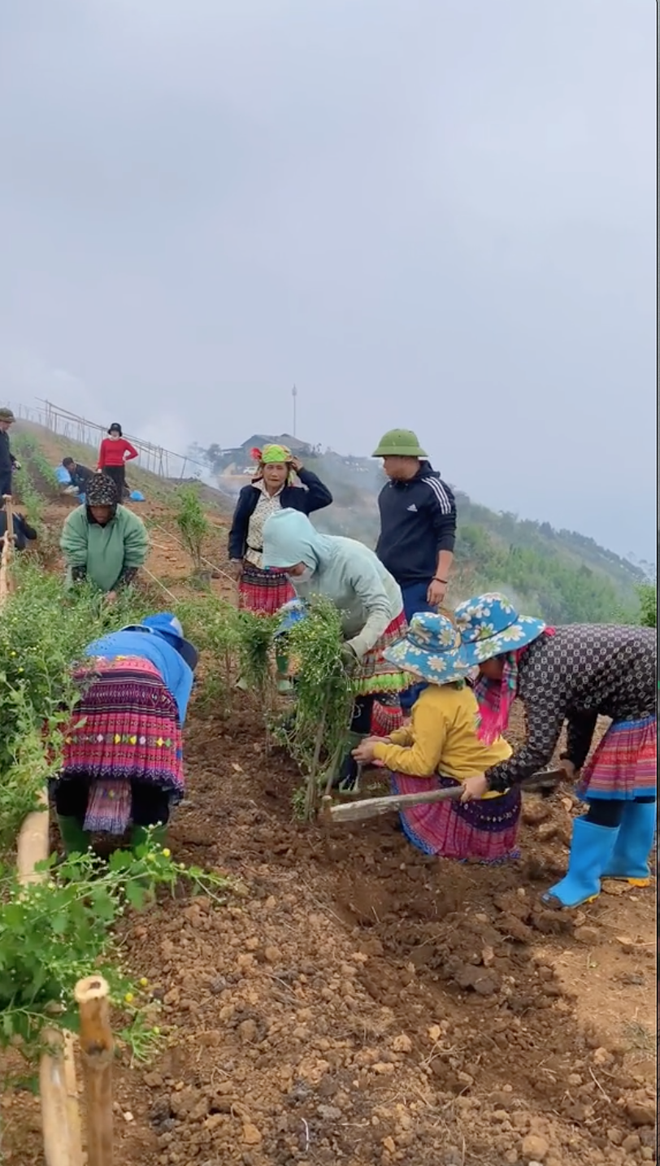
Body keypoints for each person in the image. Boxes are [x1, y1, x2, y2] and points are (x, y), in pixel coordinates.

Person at [454, 592, 657, 909]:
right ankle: (628, 863)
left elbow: (538, 750)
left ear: (500, 654)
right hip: (647, 686)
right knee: (636, 782)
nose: (479, 671)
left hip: (646, 697)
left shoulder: (540, 671)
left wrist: (489, 779)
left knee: (611, 789)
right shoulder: (541, 651)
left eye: (480, 661)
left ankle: (582, 881)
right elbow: (583, 702)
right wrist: (573, 757)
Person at [352, 612, 521, 862]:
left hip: (476, 799)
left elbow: (422, 765)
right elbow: (424, 729)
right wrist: (391, 740)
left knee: (404, 770)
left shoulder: (431, 704)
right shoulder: (464, 687)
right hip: (505, 790)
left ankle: (441, 836)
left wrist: (379, 752)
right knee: (402, 754)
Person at [262, 508, 411, 784]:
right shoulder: (300, 569)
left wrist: (355, 647)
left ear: (308, 551)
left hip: (376, 623)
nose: (291, 575)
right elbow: (308, 602)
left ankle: (347, 770)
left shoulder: (350, 559)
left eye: (293, 569)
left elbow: (380, 609)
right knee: (325, 677)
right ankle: (304, 722)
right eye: (286, 570)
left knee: (361, 693)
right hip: (340, 621)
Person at [52, 613, 198, 856]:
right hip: (144, 683)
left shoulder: (105, 640)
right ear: (175, 642)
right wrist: (153, 757)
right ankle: (143, 870)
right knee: (151, 780)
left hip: (82, 682)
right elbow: (175, 720)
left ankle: (74, 861)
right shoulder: (177, 661)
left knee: (73, 771)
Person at [228, 444, 332, 692]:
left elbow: (324, 496)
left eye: (281, 468)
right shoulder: (249, 494)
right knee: (252, 622)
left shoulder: (297, 496)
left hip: (286, 568)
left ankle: (283, 674)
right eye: (270, 468)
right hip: (254, 564)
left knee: (286, 623)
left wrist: (303, 470)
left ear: (288, 471)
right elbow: (238, 526)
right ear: (262, 469)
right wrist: (235, 558)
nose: (275, 473)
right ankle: (250, 672)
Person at [372, 428, 457, 717]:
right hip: (387, 580)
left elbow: (446, 534)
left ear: (405, 457)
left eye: (387, 459)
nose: (383, 465)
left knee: (418, 640)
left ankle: (414, 706)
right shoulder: (389, 491)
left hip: (419, 582)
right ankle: (391, 695)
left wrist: (440, 578)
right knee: (387, 638)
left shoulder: (434, 490)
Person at [60, 472, 149, 600]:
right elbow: (77, 562)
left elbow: (133, 561)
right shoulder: (75, 521)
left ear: (114, 504)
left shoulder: (132, 523)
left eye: (104, 507)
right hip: (80, 592)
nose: (99, 512)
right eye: (94, 507)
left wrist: (117, 591)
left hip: (117, 596)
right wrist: (86, 595)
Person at [97, 423, 138, 499]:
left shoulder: (124, 443)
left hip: (119, 468)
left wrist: (126, 458)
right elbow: (102, 455)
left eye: (116, 431)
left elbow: (134, 453)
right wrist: (99, 467)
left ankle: (117, 502)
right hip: (107, 467)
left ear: (119, 433)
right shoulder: (105, 442)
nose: (114, 433)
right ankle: (106, 501)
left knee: (118, 486)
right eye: (113, 431)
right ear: (110, 432)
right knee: (106, 485)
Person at [0, 407, 20, 498]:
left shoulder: (5, 435)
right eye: (7, 422)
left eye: (10, 423)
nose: (9, 425)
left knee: (5, 499)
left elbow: (5, 452)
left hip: (6, 474)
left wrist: (14, 460)